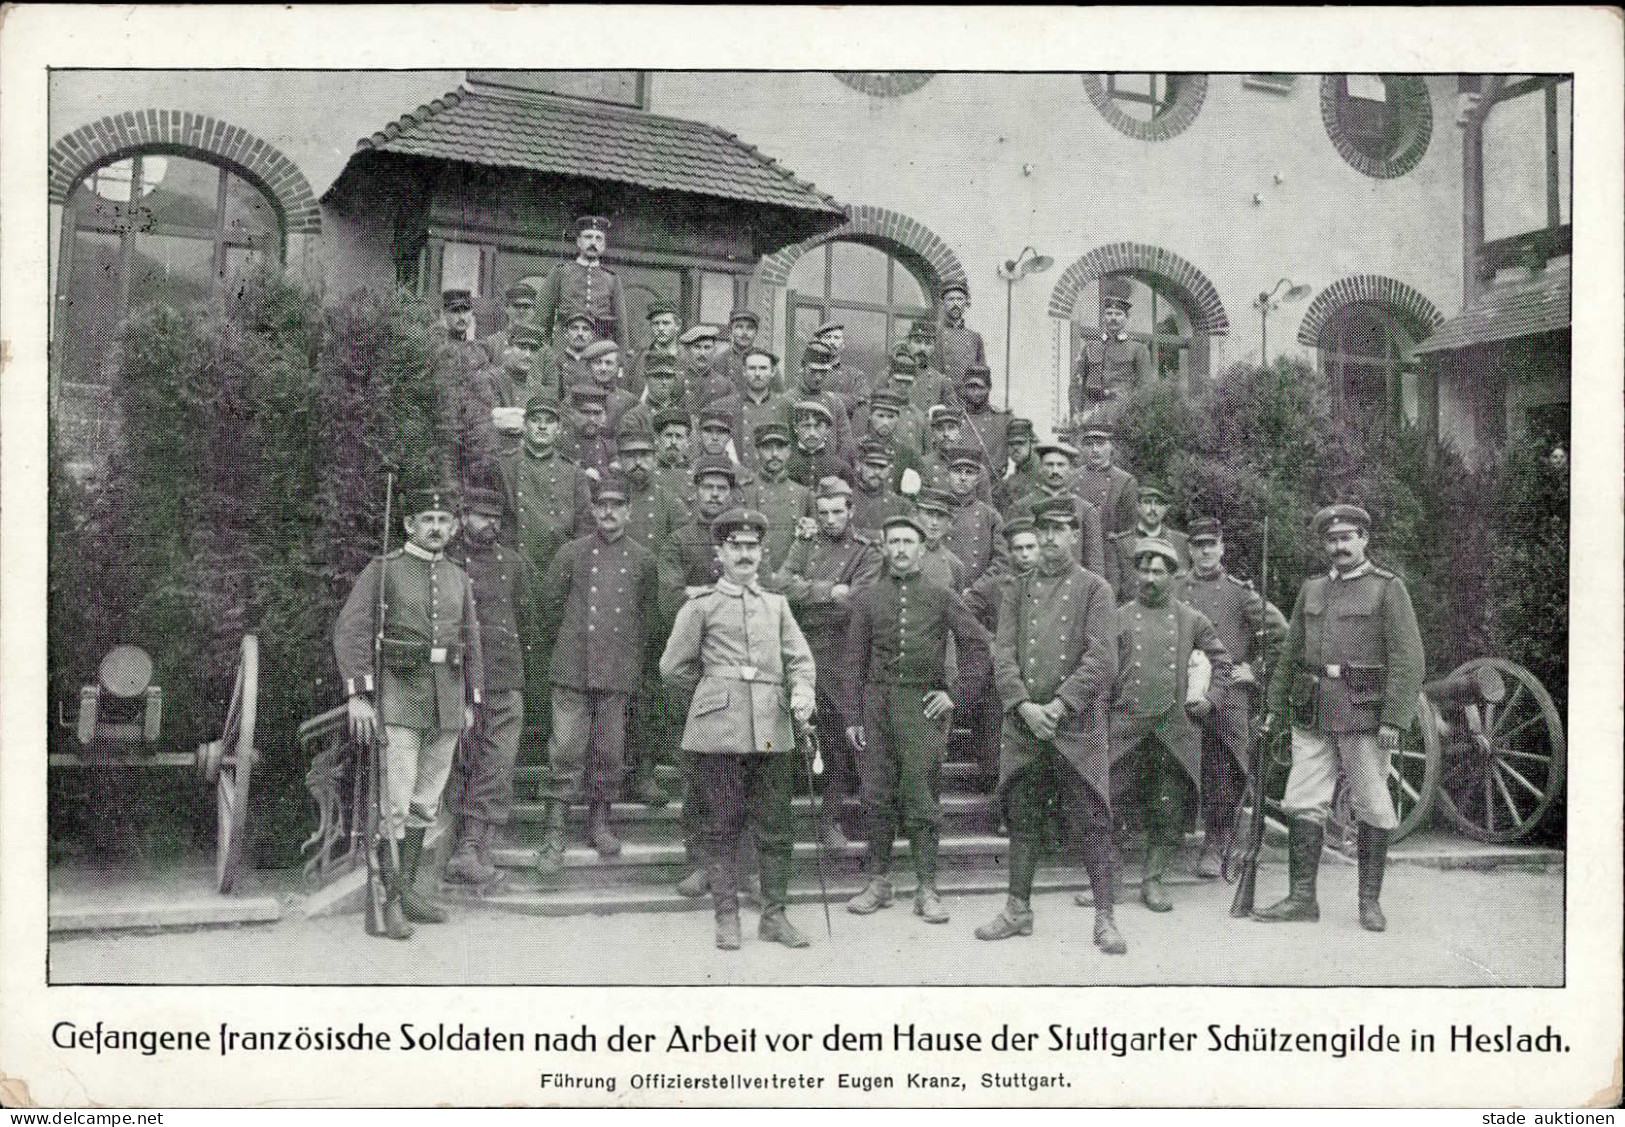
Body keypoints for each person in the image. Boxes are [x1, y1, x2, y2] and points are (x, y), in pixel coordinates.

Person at [1256, 504, 1424, 932]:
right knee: (1302, 800)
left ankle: (1369, 903)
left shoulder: (1388, 589)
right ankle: (1301, 899)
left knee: (1372, 804)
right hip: (1311, 710)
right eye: (1332, 539)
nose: (1339, 546)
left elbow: (1408, 660)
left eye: (1348, 537)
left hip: (1363, 714)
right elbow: (1291, 654)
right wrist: (1275, 708)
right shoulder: (1312, 590)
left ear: (1365, 539)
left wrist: (1394, 719)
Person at [660, 508, 819, 950]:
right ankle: (726, 916)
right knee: (722, 825)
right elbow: (673, 668)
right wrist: (712, 696)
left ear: (761, 552)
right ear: (721, 553)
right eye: (736, 547)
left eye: (752, 547)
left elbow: (800, 661)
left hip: (772, 727)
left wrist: (802, 692)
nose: (745, 554)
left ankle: (774, 916)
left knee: (775, 826)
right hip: (718, 733)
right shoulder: (701, 606)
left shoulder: (777, 605)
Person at [334, 484, 484, 939]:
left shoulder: (459, 577)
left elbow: (472, 638)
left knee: (425, 803)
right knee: (395, 804)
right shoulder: (385, 570)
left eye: (444, 522)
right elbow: (351, 630)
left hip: (447, 701)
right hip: (399, 699)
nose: (436, 529)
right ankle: (388, 899)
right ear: (409, 526)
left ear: (454, 527)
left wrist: (471, 700)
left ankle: (411, 892)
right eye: (427, 521)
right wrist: (359, 695)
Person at [975, 498, 1124, 953]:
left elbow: (1103, 658)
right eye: (1046, 529)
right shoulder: (1015, 590)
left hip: (1075, 728)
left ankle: (1105, 918)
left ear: (1077, 535)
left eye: (1063, 529)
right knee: (1023, 819)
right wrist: (1023, 706)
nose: (1053, 538)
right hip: (1025, 726)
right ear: (1037, 535)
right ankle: (1017, 910)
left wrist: (1059, 705)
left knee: (1092, 820)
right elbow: (1003, 656)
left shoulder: (1095, 589)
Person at [841, 513, 991, 924]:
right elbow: (853, 660)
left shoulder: (941, 596)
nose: (902, 549)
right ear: (885, 548)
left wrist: (955, 696)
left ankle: (927, 888)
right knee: (875, 795)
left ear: (922, 548)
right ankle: (879, 881)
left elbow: (978, 648)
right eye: (895, 542)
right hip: (876, 707)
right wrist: (854, 715)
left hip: (922, 708)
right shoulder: (868, 598)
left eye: (909, 541)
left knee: (921, 795)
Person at [537, 471, 659, 868]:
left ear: (628, 510)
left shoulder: (643, 559)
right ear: (592, 509)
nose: (608, 512)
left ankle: (600, 820)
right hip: (572, 665)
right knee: (566, 748)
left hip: (617, 670)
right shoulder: (571, 553)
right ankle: (553, 833)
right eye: (601, 505)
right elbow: (548, 608)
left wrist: (629, 660)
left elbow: (647, 619)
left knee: (609, 749)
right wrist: (567, 647)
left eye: (616, 506)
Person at [1106, 538, 1231, 913]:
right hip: (1126, 728)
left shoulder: (1192, 619)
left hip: (1175, 731)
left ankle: (1154, 880)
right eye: (1143, 570)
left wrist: (1211, 699)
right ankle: (1108, 880)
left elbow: (1222, 664)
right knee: (1110, 803)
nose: (1149, 578)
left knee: (1168, 808)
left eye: (1158, 571)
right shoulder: (1118, 616)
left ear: (1173, 576)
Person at [770, 477, 885, 848]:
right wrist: (827, 591)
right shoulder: (806, 543)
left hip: (843, 651)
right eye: (823, 513)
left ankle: (830, 817)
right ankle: (779, 821)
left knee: (838, 736)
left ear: (852, 511)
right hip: (801, 644)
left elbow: (858, 599)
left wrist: (810, 592)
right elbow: (779, 584)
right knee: (787, 730)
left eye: (838, 512)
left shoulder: (867, 551)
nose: (830, 519)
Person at [1173, 517, 1289, 878]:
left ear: (1222, 548)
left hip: (1228, 693)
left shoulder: (1240, 593)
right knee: (1179, 761)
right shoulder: (1175, 588)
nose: (1206, 551)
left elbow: (1282, 635)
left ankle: (1216, 842)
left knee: (1225, 768)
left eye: (1212, 544)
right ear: (1189, 549)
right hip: (1182, 689)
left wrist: (1254, 670)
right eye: (1198, 545)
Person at [656, 454, 744, 898]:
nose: (714, 494)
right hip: (696, 675)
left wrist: (700, 594)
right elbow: (670, 597)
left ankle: (736, 865)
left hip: (738, 674)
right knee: (698, 774)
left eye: (721, 488)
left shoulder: (741, 540)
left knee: (741, 775)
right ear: (695, 490)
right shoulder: (677, 541)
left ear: (731, 493)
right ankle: (700, 862)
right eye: (707, 487)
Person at [443, 487, 534, 887]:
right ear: (463, 517)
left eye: (497, 518)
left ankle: (474, 844)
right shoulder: (446, 564)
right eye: (482, 516)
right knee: (457, 755)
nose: (491, 524)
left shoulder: (514, 564)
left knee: (498, 760)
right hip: (454, 677)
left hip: (502, 676)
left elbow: (529, 621)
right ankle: (460, 845)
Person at [499, 394, 592, 779]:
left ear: (559, 429)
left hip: (558, 578)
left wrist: (569, 574)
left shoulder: (572, 474)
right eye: (535, 420)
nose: (541, 427)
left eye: (549, 422)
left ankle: (549, 745)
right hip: (516, 575)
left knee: (553, 660)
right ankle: (519, 745)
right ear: (525, 426)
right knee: (517, 653)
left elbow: (584, 529)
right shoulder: (505, 467)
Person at [615, 429, 689, 810]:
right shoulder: (608, 500)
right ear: (619, 459)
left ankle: (644, 772)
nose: (638, 463)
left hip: (653, 611)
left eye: (644, 454)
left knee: (649, 691)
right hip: (611, 609)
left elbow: (680, 550)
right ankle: (612, 773)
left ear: (655, 456)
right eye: (630, 455)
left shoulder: (668, 502)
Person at [535, 215, 629, 352]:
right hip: (563, 348)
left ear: (603, 245)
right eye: (588, 237)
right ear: (579, 242)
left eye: (598, 238)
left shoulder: (612, 279)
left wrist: (622, 358)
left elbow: (621, 326)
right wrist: (542, 353)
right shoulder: (561, 272)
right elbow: (542, 316)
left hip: (599, 350)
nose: (593, 243)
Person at [1014, 440, 1106, 578]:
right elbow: (1011, 558)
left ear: (1070, 470)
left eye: (1061, 465)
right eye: (1049, 465)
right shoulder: (1021, 508)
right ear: (1040, 468)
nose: (1055, 471)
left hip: (1073, 589)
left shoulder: (1086, 511)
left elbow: (1094, 563)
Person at [1070, 276, 1151, 425]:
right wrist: (1077, 413)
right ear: (1103, 317)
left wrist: (1136, 418)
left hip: (1122, 415)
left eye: (1118, 314)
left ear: (1127, 318)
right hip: (1091, 414)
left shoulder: (1138, 349)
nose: (1113, 318)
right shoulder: (1090, 347)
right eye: (1109, 313)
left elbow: (1145, 390)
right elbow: (1076, 385)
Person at [740, 422, 814, 573]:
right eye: (767, 448)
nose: (774, 454)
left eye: (780, 447)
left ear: (788, 451)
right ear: (756, 452)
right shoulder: (744, 491)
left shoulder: (803, 494)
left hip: (791, 577)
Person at [1106, 482, 1190, 604]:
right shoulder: (1120, 544)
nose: (1153, 509)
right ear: (1138, 506)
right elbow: (1112, 594)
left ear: (1166, 509)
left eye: (1159, 503)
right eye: (1147, 502)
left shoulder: (1182, 542)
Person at [716, 348, 794, 471]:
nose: (757, 374)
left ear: (772, 372)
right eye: (752, 368)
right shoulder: (726, 406)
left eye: (763, 368)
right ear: (744, 371)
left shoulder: (786, 406)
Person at [942, 444, 1009, 584]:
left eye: (969, 472)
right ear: (947, 475)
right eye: (957, 471)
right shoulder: (936, 513)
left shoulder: (990, 517)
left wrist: (977, 590)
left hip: (976, 595)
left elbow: (1002, 561)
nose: (962, 477)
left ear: (978, 478)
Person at [1072, 422, 1139, 540]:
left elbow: (1129, 530)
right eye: (1089, 444)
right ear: (1082, 447)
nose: (1095, 449)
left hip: (1109, 551)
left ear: (1111, 446)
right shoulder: (1072, 478)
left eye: (1100, 444)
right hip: (1077, 549)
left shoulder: (1125, 481)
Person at [956, 363, 1010, 479]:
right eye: (971, 387)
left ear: (989, 388)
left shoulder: (1003, 419)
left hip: (994, 489)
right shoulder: (955, 420)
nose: (975, 392)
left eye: (980, 388)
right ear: (964, 388)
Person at [619, 353, 691, 440]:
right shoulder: (634, 418)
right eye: (658, 376)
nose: (664, 382)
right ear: (646, 378)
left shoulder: (682, 417)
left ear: (674, 379)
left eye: (668, 377)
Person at [787, 399, 855, 489]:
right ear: (796, 427)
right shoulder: (786, 465)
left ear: (828, 429)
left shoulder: (841, 469)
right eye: (806, 426)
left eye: (818, 426)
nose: (812, 433)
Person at [849, 439, 912, 536]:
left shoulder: (900, 506)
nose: (877, 472)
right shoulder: (846, 500)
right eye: (871, 465)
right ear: (858, 465)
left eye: (882, 467)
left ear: (888, 470)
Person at [579, 339, 638, 432]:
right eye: (598, 362)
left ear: (618, 366)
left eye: (608, 363)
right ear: (589, 366)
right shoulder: (577, 399)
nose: (603, 368)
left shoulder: (630, 402)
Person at [933, 281, 987, 383]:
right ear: (942, 303)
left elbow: (982, 377)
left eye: (959, 299)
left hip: (966, 396)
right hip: (942, 395)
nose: (955, 303)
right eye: (951, 299)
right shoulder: (935, 335)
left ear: (965, 302)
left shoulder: (975, 338)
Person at [537, 308, 597, 398]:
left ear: (592, 335)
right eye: (574, 328)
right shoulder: (555, 361)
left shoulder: (597, 363)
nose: (580, 333)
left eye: (585, 329)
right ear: (565, 333)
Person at [561, 385, 616, 481]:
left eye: (597, 413)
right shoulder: (562, 445)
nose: (591, 419)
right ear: (573, 414)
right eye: (585, 412)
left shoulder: (608, 445)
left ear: (604, 416)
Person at [629, 301, 683, 398]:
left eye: (666, 323)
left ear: (678, 325)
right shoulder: (638, 358)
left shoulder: (687, 358)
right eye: (656, 323)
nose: (660, 328)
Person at [479, 280, 539, 365]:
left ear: (534, 310)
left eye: (526, 306)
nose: (521, 311)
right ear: (506, 308)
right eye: (516, 306)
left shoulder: (540, 345)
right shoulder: (492, 344)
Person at [710, 309, 762, 399]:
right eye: (739, 327)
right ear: (731, 330)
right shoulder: (719, 360)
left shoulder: (764, 360)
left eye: (750, 328)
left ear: (756, 332)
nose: (744, 333)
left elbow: (778, 396)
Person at [995, 417, 1041, 516]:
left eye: (1021, 443)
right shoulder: (1012, 479)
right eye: (1011, 444)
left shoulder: (1044, 471)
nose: (1015, 448)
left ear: (1031, 443)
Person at [651, 406, 697, 504]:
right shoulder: (647, 473)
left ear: (688, 442)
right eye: (668, 435)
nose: (673, 442)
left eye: (679, 436)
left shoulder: (697, 476)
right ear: (658, 439)